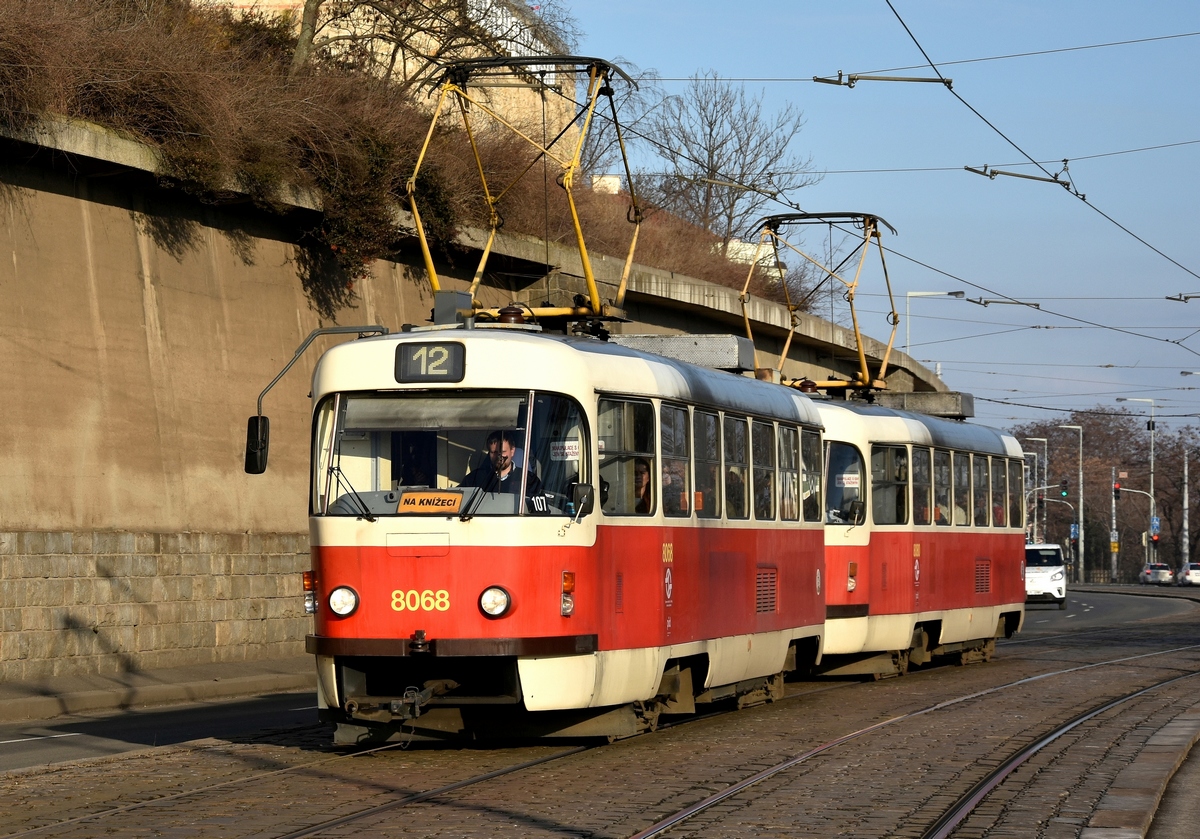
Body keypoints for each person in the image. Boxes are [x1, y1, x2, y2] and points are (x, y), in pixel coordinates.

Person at [460, 430, 544, 500]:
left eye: (503, 452)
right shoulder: (473, 479)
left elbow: (540, 514)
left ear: (512, 451)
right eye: (494, 452)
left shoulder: (529, 480)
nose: (498, 457)